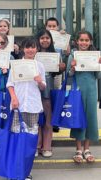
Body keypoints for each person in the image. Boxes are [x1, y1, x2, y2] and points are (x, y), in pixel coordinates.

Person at [7, 37, 46, 180]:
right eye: (28, 47)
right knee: (17, 138)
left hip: (33, 107)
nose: (30, 50)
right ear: (23, 49)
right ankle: (15, 171)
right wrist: (14, 98)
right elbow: (10, 84)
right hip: (18, 106)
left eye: (33, 47)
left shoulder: (40, 66)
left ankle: (26, 171)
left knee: (30, 141)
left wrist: (39, 81)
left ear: (37, 49)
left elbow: (43, 87)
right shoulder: (16, 64)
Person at [67, 30, 101, 163]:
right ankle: (78, 149)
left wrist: (99, 65)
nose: (84, 43)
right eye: (81, 40)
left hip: (92, 91)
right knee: (78, 118)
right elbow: (69, 77)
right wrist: (72, 68)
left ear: (90, 42)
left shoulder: (95, 55)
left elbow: (98, 77)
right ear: (77, 41)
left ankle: (87, 149)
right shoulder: (73, 55)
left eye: (87, 40)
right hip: (78, 91)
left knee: (90, 118)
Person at [35, 29, 65, 158]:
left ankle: (46, 147)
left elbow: (56, 73)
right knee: (35, 121)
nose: (45, 40)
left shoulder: (56, 54)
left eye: (47, 38)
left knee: (47, 121)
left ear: (51, 40)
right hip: (34, 92)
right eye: (42, 38)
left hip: (48, 92)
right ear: (38, 40)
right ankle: (36, 146)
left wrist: (61, 68)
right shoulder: (33, 53)